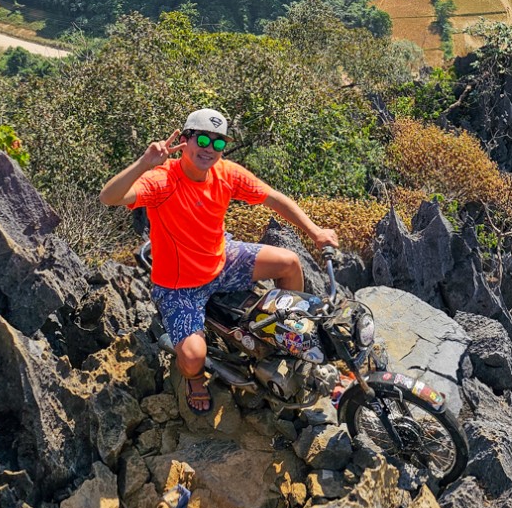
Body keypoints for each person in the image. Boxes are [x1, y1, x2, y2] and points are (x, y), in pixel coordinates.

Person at [99, 108, 338, 413]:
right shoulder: (162, 179)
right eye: (202, 139)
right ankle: (194, 381)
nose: (209, 149)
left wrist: (316, 232)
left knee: (289, 263)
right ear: (184, 140)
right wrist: (144, 164)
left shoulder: (226, 173)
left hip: (223, 259)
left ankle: (285, 338)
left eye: (218, 143)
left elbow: (274, 198)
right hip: (179, 286)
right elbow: (110, 197)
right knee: (193, 356)